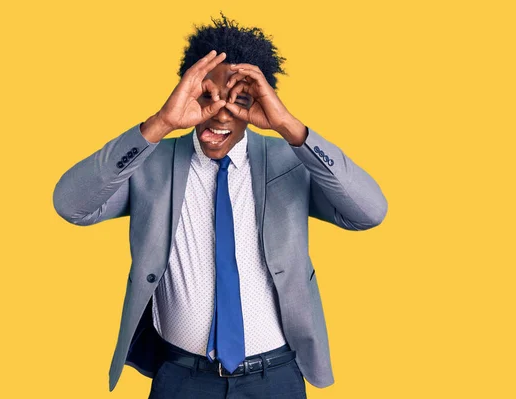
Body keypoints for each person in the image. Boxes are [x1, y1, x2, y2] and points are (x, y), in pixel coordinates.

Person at [53, 13, 388, 399]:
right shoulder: (152, 163)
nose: (221, 112)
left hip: (274, 377)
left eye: (240, 101)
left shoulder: (290, 161)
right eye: (206, 96)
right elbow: (70, 204)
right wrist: (160, 123)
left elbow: (370, 212)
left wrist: (289, 127)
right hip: (181, 377)